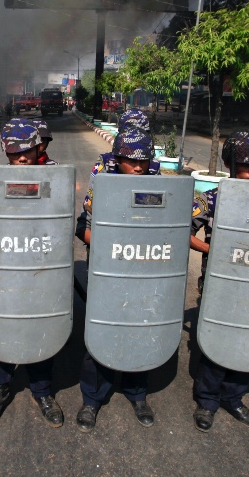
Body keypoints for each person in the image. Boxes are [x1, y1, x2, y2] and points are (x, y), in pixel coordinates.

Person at [0, 119, 64, 428]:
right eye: (14, 154)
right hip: (5, 264)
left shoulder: (55, 174)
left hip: (40, 265)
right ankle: (1, 388)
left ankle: (42, 391)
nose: (22, 159)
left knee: (40, 326)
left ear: (38, 146)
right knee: (0, 324)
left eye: (26, 152)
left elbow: (62, 223)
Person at [75, 128, 160, 432]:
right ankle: (92, 398)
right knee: (102, 333)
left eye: (144, 161)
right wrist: (109, 247)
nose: (139, 167)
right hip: (109, 273)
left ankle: (137, 393)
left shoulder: (158, 192)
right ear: (118, 159)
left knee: (140, 329)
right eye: (131, 161)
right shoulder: (103, 190)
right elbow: (81, 228)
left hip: (145, 273)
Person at [189, 131, 249, 432]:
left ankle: (234, 399)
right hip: (220, 282)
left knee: (245, 341)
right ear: (231, 163)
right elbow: (184, 231)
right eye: (246, 164)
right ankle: (207, 401)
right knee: (218, 341)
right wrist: (213, 250)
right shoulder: (211, 198)